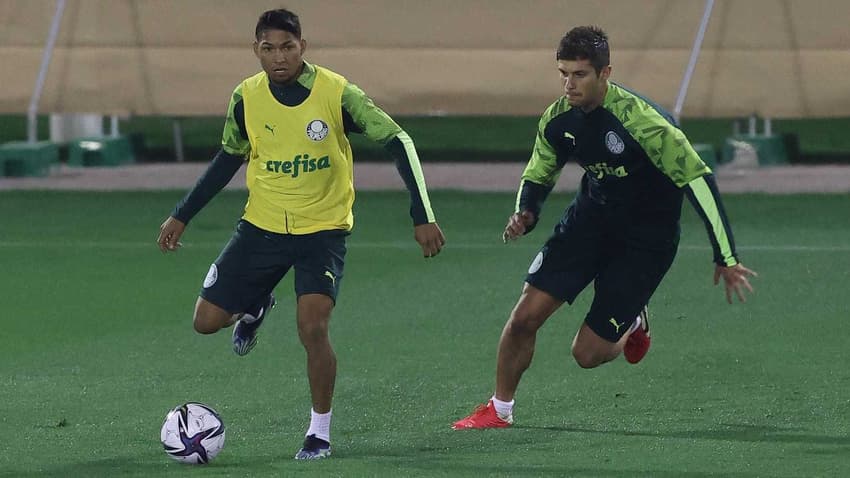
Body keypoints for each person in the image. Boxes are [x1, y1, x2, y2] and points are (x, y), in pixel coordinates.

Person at [156, 8, 445, 459]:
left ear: (302, 47)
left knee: (312, 329)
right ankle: (253, 305)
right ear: (256, 51)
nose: (278, 58)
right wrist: (182, 214)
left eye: (287, 47)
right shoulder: (246, 98)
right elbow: (229, 157)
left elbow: (398, 140)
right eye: (268, 49)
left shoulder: (335, 92)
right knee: (205, 322)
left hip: (322, 233)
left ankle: (319, 432)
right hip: (261, 228)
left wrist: (421, 213)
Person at [452, 26, 756, 430]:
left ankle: (633, 321)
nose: (568, 84)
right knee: (524, 317)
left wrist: (726, 256)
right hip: (589, 222)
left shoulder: (643, 122)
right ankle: (499, 409)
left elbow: (697, 179)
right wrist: (526, 211)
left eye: (579, 74)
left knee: (587, 353)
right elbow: (540, 169)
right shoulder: (558, 119)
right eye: (563, 73)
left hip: (645, 241)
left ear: (605, 73)